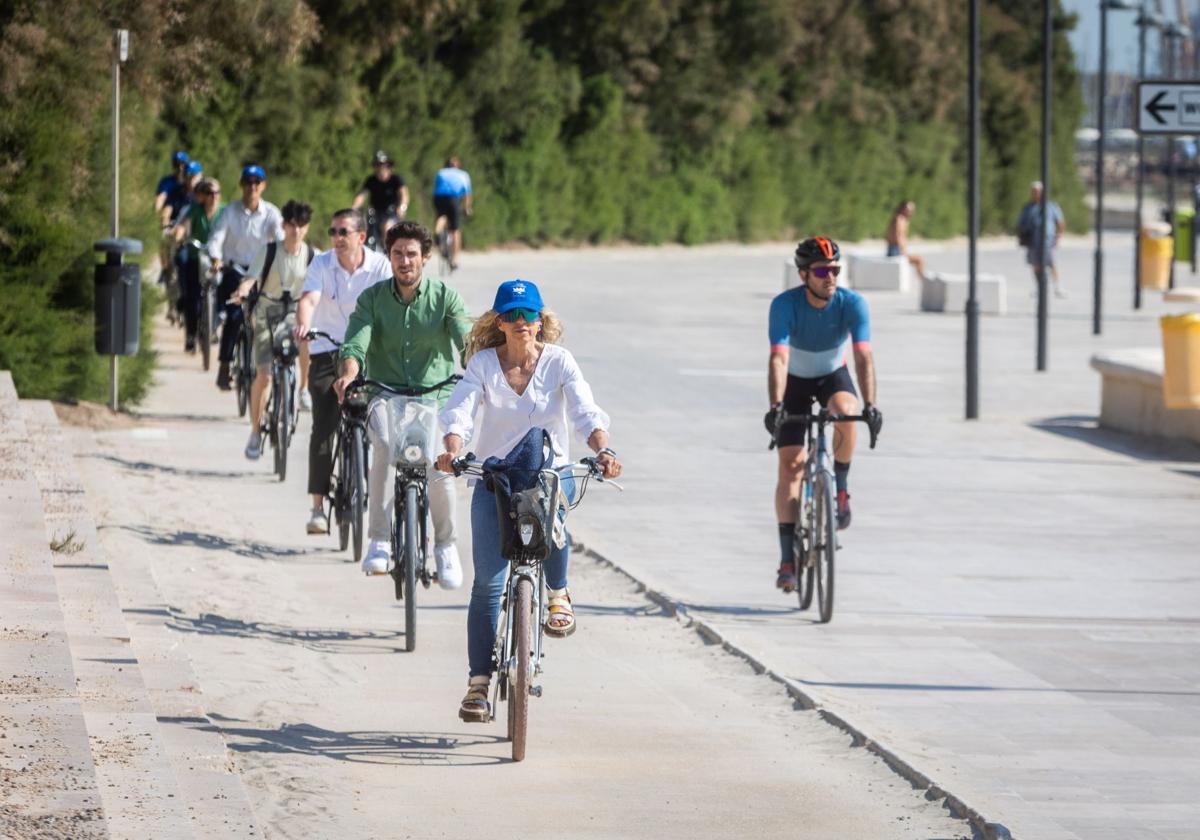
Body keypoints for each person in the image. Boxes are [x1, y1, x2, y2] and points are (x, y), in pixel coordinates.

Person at [435, 279, 622, 723]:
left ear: (541, 321)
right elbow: (460, 409)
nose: (522, 323)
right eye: (513, 315)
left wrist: (602, 449)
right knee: (488, 584)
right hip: (495, 478)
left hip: (547, 474)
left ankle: (558, 593)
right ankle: (478, 684)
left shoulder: (559, 362)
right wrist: (453, 448)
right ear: (499, 322)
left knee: (553, 499)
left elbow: (583, 411)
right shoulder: (482, 364)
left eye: (529, 315)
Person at [331, 221, 470, 584]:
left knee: (440, 459)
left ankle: (445, 546)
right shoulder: (372, 298)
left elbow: (466, 342)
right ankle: (378, 540)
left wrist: (479, 368)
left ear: (425, 257)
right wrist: (348, 374)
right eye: (397, 254)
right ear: (389, 257)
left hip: (435, 395)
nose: (404, 261)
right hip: (385, 393)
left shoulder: (445, 298)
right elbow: (355, 345)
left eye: (412, 254)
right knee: (386, 446)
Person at [765, 237, 881, 593]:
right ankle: (788, 560)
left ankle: (841, 489)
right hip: (795, 382)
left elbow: (863, 357)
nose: (830, 276)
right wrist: (776, 407)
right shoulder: (785, 305)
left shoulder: (852, 303)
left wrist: (872, 405)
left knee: (847, 412)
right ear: (804, 275)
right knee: (791, 466)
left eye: (835, 270)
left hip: (833, 375)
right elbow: (779, 359)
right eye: (821, 271)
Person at [294, 209, 391, 535]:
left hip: (365, 351)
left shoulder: (379, 265)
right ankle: (317, 508)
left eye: (343, 232)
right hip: (325, 348)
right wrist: (304, 323)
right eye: (333, 231)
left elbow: (390, 303)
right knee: (324, 424)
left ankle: (372, 486)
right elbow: (309, 299)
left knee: (378, 422)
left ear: (360, 236)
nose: (336, 238)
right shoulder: (322, 263)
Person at [233, 200, 315, 460]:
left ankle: (303, 389)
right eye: (292, 225)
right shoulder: (269, 251)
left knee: (308, 337)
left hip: (294, 313)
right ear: (283, 225)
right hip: (267, 312)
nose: (296, 231)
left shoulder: (312, 255)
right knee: (264, 375)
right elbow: (251, 279)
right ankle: (256, 431)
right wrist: (243, 291)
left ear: (307, 227)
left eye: (301, 226)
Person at [207, 164, 284, 390]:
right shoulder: (229, 211)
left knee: (271, 316)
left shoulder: (271, 212)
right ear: (241, 185)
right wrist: (215, 258)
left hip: (261, 273)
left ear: (263, 186)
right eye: (248, 182)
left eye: (257, 182)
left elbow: (279, 237)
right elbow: (216, 237)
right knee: (233, 317)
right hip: (235, 271)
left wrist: (283, 257)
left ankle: (272, 365)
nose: (252, 187)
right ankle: (224, 365)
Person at [172, 178, 224, 352]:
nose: (214, 196)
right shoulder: (195, 210)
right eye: (210, 193)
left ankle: (214, 326)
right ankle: (191, 334)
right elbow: (183, 225)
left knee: (225, 292)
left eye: (217, 193)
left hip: (218, 260)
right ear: (203, 196)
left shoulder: (225, 211)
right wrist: (179, 235)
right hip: (197, 258)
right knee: (191, 297)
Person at [1016, 180, 1066, 298]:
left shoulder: (1051, 206)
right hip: (1033, 241)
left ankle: (1057, 287)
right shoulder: (1027, 207)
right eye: (1034, 192)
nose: (1036, 194)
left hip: (1047, 240)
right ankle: (1039, 288)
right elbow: (1020, 224)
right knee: (1035, 265)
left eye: (1038, 192)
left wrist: (1058, 236)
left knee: (1051, 263)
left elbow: (1060, 222)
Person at [352, 150, 409, 249]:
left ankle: (390, 252)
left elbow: (404, 194)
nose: (380, 168)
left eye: (383, 165)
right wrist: (353, 208)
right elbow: (362, 195)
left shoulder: (396, 179)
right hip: (375, 212)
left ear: (388, 166)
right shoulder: (371, 180)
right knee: (363, 227)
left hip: (391, 212)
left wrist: (402, 207)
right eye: (377, 165)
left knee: (387, 228)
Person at [432, 156, 473, 269]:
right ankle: (455, 260)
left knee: (442, 216)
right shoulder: (463, 174)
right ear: (457, 166)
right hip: (453, 199)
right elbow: (467, 194)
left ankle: (438, 232)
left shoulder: (440, 172)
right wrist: (467, 208)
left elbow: (436, 187)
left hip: (438, 198)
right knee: (455, 230)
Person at [884, 199, 927, 280]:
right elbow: (898, 235)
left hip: (894, 249)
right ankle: (924, 281)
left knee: (918, 260)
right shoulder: (899, 219)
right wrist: (902, 249)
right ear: (903, 209)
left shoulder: (900, 219)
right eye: (908, 210)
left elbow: (887, 235)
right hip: (895, 250)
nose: (911, 212)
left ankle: (923, 280)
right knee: (919, 260)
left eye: (912, 210)